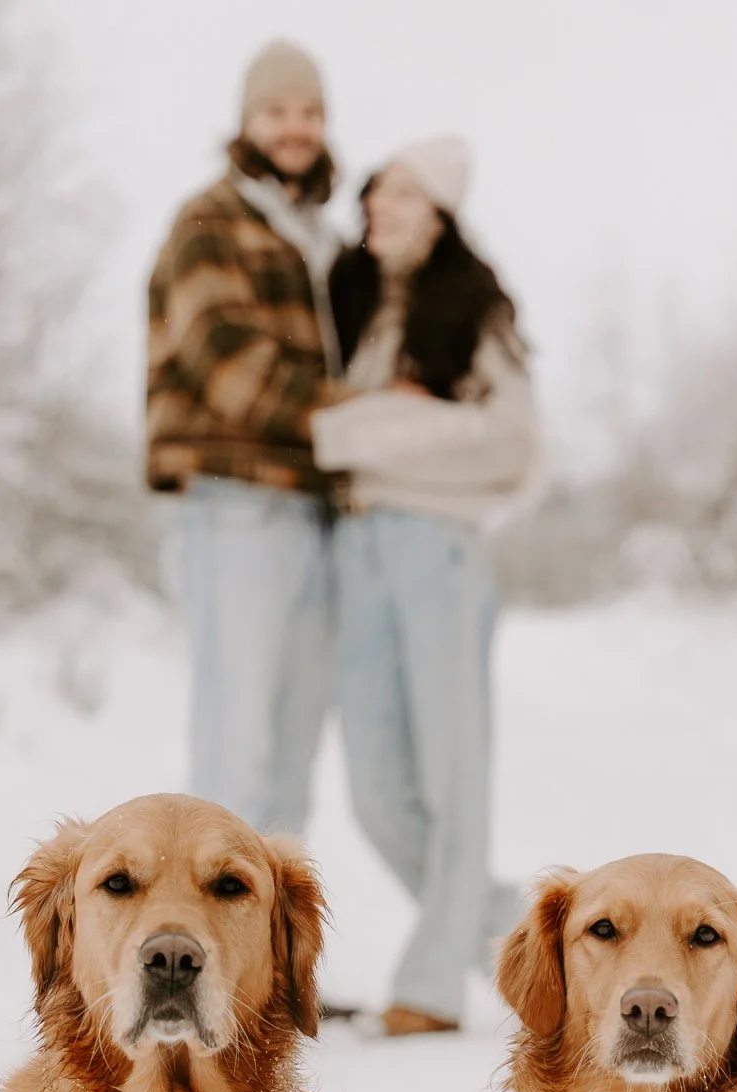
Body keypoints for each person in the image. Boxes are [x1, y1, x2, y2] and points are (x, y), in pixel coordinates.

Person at [313, 139, 539, 1037]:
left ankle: (434, 984)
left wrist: (360, 428)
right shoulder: (353, 302)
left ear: (440, 211)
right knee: (374, 789)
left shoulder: (474, 310)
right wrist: (382, 422)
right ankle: (518, 938)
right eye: (377, 189)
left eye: (404, 193)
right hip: (355, 550)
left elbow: (513, 444)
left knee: (452, 776)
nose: (379, 204)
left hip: (436, 551)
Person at [146, 41, 341, 834]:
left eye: (310, 113)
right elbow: (225, 361)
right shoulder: (210, 221)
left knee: (294, 755)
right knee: (236, 752)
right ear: (246, 122)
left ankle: (271, 957)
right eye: (277, 111)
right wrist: (355, 419)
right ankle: (201, 946)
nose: (294, 128)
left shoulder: (320, 238)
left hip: (313, 515)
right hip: (235, 510)